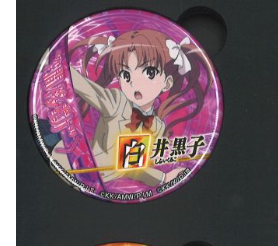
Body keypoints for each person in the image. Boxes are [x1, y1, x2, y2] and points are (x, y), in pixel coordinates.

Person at [49, 27, 210, 189]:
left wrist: (164, 178)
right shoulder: (117, 101)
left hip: (97, 182)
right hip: (71, 162)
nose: (134, 83)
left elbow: (132, 165)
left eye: (149, 72)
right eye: (126, 75)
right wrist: (58, 61)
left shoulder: (157, 126)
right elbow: (85, 88)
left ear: (167, 83)